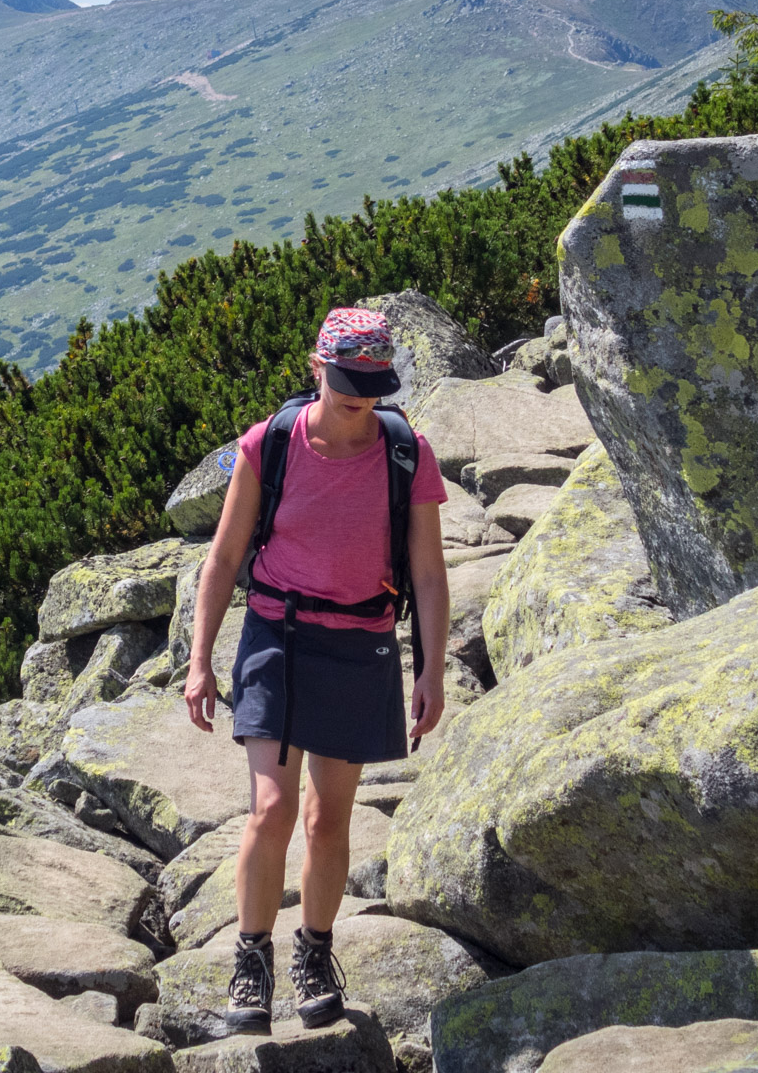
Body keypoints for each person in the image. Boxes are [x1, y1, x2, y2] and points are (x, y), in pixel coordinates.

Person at [183, 306, 449, 1034]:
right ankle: (250, 963)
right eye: (346, 388)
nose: (360, 403)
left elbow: (427, 573)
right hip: (279, 634)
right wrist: (200, 661)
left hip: (361, 644)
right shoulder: (269, 446)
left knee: (329, 817)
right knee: (271, 808)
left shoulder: (405, 452)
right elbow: (224, 558)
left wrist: (432, 671)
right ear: (316, 370)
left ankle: (314, 953)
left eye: (372, 389)